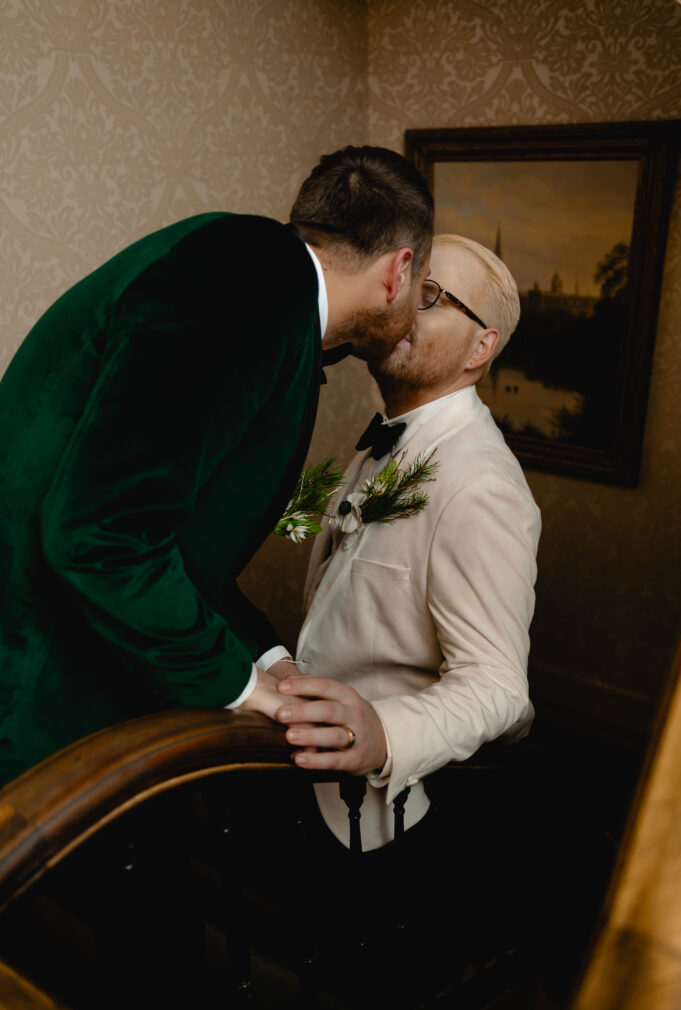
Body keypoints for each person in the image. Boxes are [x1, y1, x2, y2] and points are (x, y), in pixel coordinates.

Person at [0, 146, 433, 785]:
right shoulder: (244, 287)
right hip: (34, 691)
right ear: (398, 271)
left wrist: (270, 659)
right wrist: (243, 687)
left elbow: (176, 536)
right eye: (424, 289)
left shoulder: (251, 271)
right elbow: (103, 535)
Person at [275, 233, 541, 850]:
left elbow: (499, 687)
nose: (401, 307)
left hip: (386, 813)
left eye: (432, 296)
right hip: (306, 782)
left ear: (482, 347)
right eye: (405, 286)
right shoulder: (390, 438)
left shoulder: (480, 484)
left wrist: (383, 731)